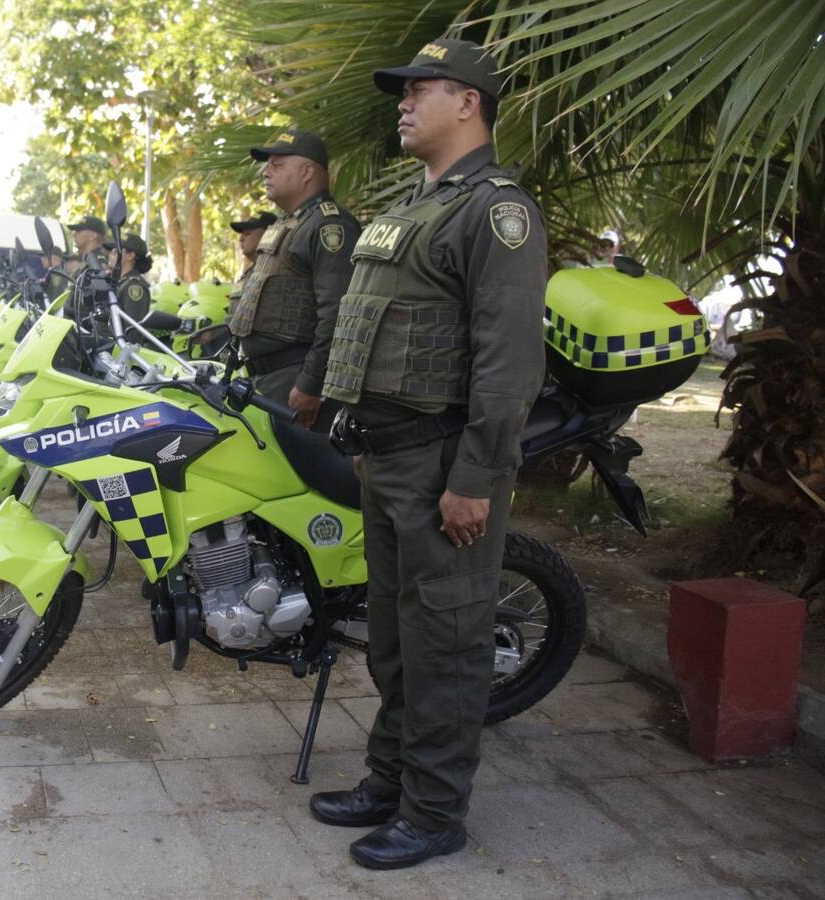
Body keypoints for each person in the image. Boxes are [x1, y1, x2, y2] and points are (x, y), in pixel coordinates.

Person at [314, 39, 547, 871]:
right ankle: (390, 780)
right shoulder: (417, 206)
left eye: (422, 90)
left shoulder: (497, 211)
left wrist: (476, 479)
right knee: (394, 638)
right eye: (402, 91)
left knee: (445, 643)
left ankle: (436, 811)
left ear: (469, 104)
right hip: (390, 458)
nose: (403, 102)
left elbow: (509, 360)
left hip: (448, 463)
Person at [229, 129, 361, 432]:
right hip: (268, 378)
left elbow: (338, 314)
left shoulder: (330, 225)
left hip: (295, 381)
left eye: (277, 164)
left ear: (306, 172)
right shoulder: (290, 224)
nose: (266, 171)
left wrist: (311, 384)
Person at [227, 211, 277, 311]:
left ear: (268, 233)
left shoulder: (279, 269)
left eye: (247, 234)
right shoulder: (247, 274)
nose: (241, 239)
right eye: (242, 234)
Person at [108, 233, 153, 323]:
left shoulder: (134, 286)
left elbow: (133, 330)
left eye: (116, 251)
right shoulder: (121, 282)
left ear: (130, 255)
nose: (111, 253)